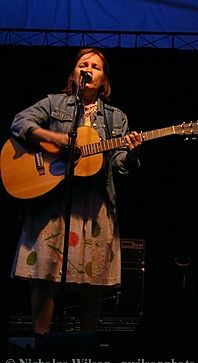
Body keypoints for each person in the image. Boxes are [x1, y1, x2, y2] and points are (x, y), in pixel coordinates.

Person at [9, 48, 142, 335]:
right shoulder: (54, 103)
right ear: (74, 74)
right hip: (53, 201)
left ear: (103, 78)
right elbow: (20, 122)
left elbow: (118, 162)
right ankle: (41, 347)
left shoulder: (116, 118)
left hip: (96, 203)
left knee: (91, 281)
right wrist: (55, 137)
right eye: (84, 65)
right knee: (44, 277)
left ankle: (85, 349)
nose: (89, 69)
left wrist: (130, 155)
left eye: (96, 66)